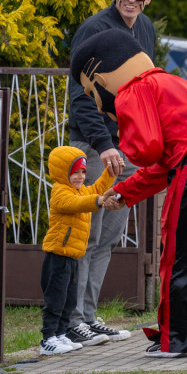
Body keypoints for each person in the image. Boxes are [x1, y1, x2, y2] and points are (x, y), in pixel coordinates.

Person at [71, 29, 187, 359]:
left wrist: (122, 142)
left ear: (100, 76)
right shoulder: (173, 83)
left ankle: (172, 341)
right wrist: (123, 192)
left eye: (91, 91)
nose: (96, 103)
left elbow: (148, 151)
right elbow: (166, 163)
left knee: (177, 258)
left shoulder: (133, 89)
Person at [63, 0, 157, 346]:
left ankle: (89, 316)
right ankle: (73, 321)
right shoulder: (94, 30)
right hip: (95, 147)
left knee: (109, 236)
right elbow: (81, 97)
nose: (130, 0)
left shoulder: (145, 29)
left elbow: (145, 88)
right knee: (87, 233)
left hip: (128, 146)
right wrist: (104, 145)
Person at [39, 146, 116, 355]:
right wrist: (99, 201)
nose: (80, 176)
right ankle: (48, 339)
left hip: (73, 256)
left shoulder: (81, 190)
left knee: (69, 299)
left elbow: (97, 189)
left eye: (83, 171)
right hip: (58, 255)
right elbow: (76, 203)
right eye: (75, 172)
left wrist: (110, 173)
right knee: (55, 299)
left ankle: (61, 333)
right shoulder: (60, 191)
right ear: (62, 172)